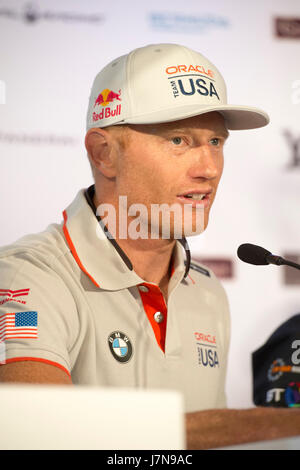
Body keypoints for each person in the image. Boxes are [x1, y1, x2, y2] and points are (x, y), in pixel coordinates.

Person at [0, 43, 299, 449]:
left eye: (215, 142)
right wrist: (271, 427)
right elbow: (38, 434)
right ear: (104, 154)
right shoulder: (29, 277)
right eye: (178, 140)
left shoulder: (208, 292)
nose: (209, 169)